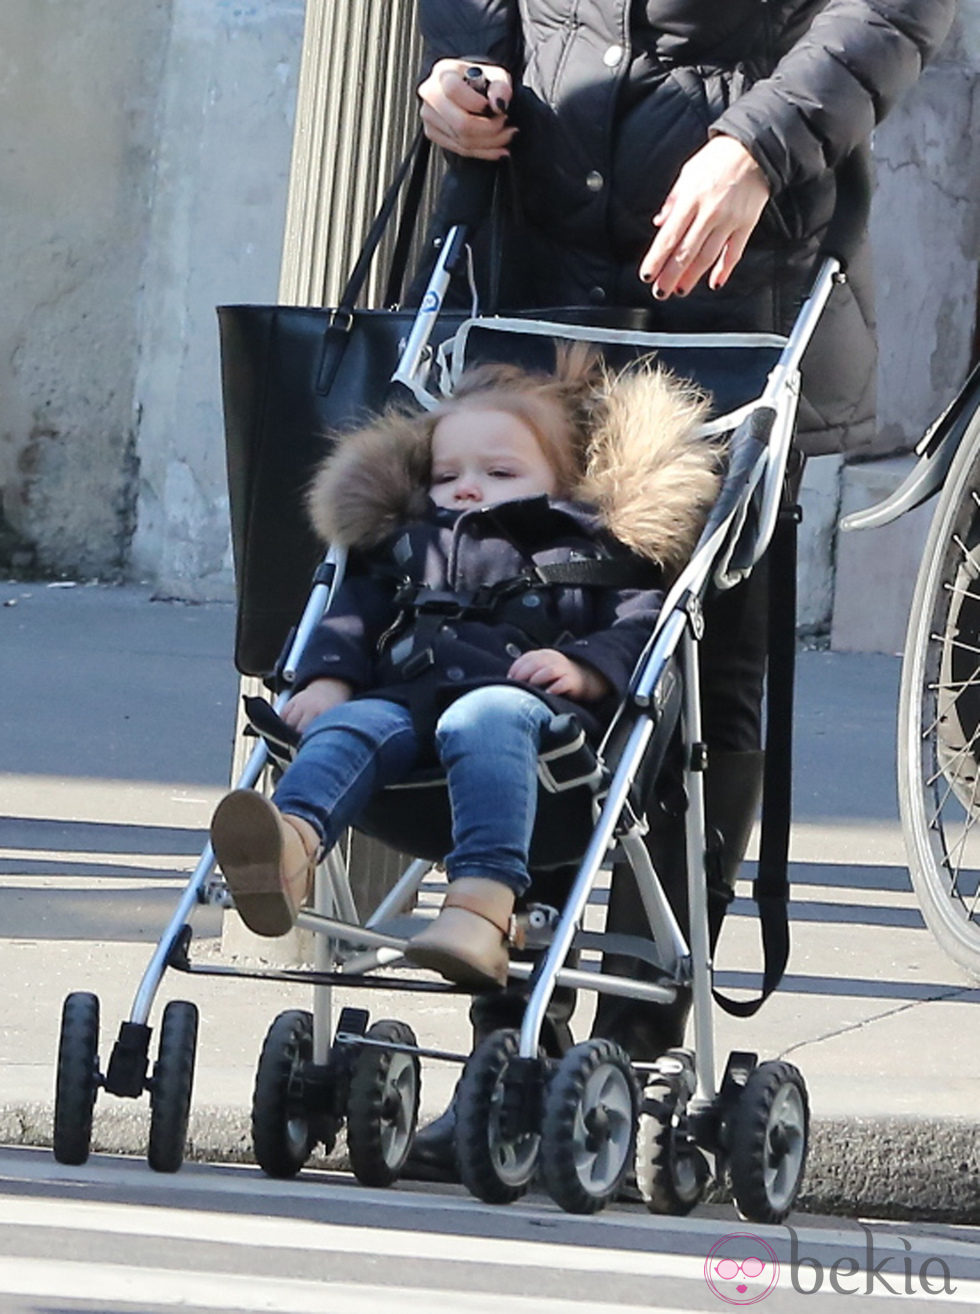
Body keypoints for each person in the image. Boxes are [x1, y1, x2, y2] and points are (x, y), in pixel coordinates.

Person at [405, 0, 956, 1174]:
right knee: (513, 636)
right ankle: (512, 1047)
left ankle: (639, 1046)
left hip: (736, 274)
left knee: (697, 673)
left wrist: (763, 139)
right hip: (541, 253)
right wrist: (460, 68)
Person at [210, 348, 720, 990]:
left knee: (486, 714)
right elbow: (351, 614)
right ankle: (290, 842)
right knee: (352, 724)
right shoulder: (409, 543)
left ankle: (482, 902)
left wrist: (586, 670)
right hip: (407, 708)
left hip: (529, 725)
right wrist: (327, 680)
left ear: (562, 482)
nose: (469, 488)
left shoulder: (584, 546)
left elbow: (637, 626)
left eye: (501, 471)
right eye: (447, 475)